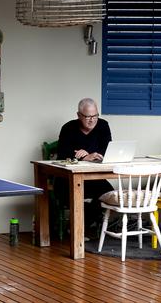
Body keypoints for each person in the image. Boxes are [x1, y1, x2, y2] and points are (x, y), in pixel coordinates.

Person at [57, 98, 114, 235]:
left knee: (110, 195)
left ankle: (81, 226)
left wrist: (92, 154)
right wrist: (82, 157)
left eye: (95, 116)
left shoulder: (103, 125)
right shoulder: (68, 128)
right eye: (88, 116)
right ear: (79, 115)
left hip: (94, 178)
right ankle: (81, 228)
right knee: (74, 195)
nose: (92, 120)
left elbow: (107, 149)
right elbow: (62, 154)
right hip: (68, 179)